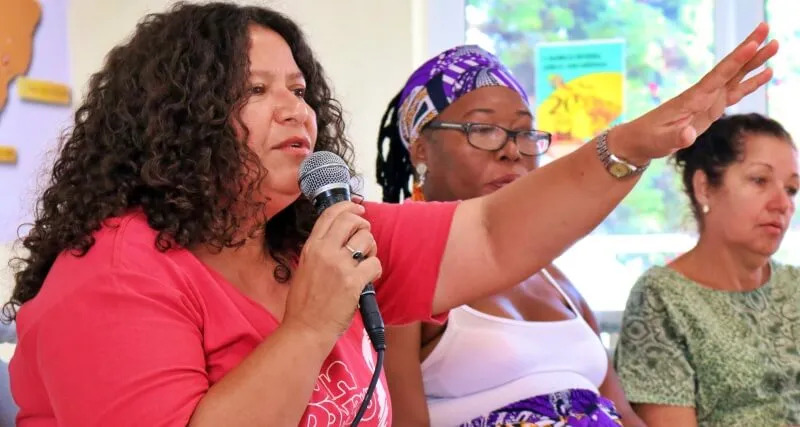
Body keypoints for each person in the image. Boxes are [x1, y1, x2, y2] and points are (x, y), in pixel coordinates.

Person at [4, 2, 776, 426]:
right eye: (257, 90)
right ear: (178, 117)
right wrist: (309, 327)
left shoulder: (315, 231)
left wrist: (634, 142)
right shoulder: (108, 274)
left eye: (300, 90)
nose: (294, 108)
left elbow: (495, 231)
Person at [375, 45, 644, 426]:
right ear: (422, 149)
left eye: (523, 133)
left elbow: (624, 413)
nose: (512, 152)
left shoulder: (555, 279)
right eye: (483, 129)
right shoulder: (400, 267)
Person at [614, 113, 800, 426]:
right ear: (704, 188)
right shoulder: (662, 298)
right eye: (759, 180)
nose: (783, 204)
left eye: (792, 189)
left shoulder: (794, 285)